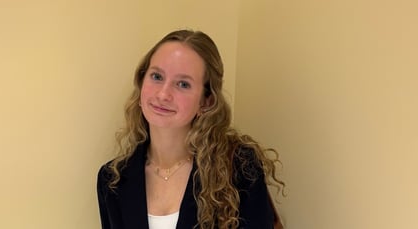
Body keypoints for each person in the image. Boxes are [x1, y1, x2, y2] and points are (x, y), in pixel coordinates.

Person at [97, 29, 285, 229]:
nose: (163, 94)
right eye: (157, 76)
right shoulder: (112, 180)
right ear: (142, 81)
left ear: (206, 101)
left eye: (183, 84)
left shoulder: (238, 167)